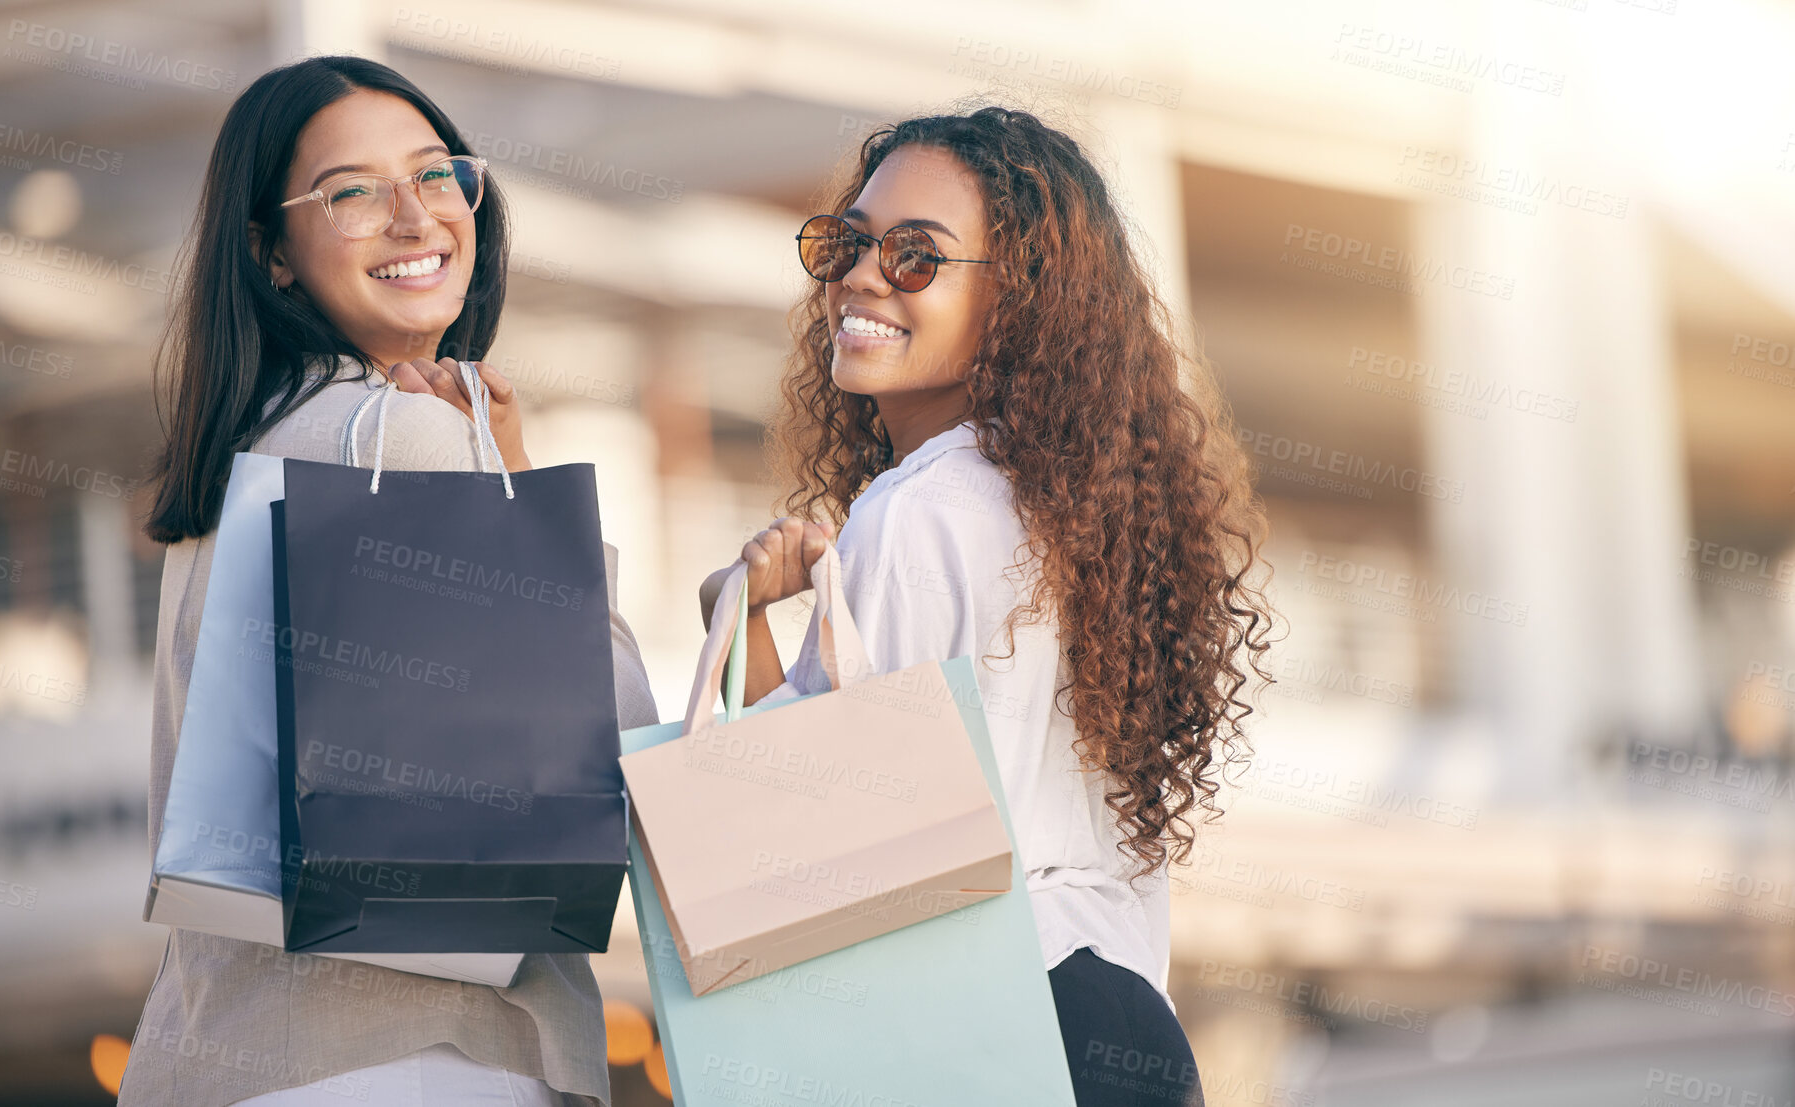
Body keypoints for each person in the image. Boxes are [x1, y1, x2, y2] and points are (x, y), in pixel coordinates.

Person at [705, 106, 1275, 1107]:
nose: (861, 277)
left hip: (993, 1031)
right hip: (1125, 1028)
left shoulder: (915, 512)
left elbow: (806, 858)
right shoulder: (1093, 523)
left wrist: (737, 617)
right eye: (848, 243)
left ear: (1020, 300)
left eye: (917, 258)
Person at [130, 55, 655, 1106]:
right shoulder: (406, 438)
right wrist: (518, 484)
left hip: (237, 1053)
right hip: (423, 1061)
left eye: (437, 174)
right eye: (354, 192)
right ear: (270, 253)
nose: (417, 218)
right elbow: (619, 750)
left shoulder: (248, 458)